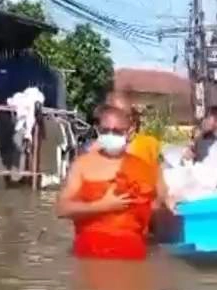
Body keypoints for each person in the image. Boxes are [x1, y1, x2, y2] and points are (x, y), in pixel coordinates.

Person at [56, 106, 167, 260]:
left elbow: (159, 206)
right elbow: (62, 209)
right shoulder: (82, 165)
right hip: (90, 253)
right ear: (97, 130)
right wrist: (101, 206)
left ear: (129, 132)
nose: (110, 135)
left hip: (131, 254)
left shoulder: (147, 168)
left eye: (117, 131)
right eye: (105, 131)